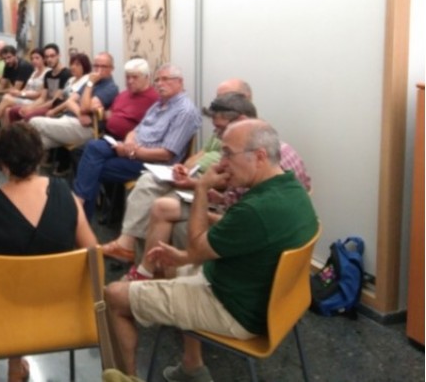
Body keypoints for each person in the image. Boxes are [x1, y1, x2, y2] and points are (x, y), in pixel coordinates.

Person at [104, 119, 318, 380]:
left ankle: (129, 377)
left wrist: (203, 187)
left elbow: (198, 244)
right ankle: (192, 366)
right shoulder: (292, 188)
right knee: (175, 267)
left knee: (114, 295)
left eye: (228, 153)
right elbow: (225, 238)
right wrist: (184, 256)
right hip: (276, 304)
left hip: (234, 310)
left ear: (260, 156)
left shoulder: (253, 209)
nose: (222, 163)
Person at [0, 123, 97, 382]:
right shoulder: (65, 194)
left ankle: (14, 364)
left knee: (0, 291)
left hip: (5, 321)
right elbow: (92, 252)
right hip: (64, 315)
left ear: (1, 162)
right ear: (40, 155)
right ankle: (16, 364)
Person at [73, 63, 201, 220]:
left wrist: (131, 152)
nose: (160, 84)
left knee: (92, 167)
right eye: (158, 80)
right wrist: (128, 141)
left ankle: (80, 213)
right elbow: (136, 130)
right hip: (132, 150)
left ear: (180, 82)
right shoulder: (159, 104)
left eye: (165, 79)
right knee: (93, 147)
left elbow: (166, 155)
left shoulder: (184, 111)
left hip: (152, 164)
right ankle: (81, 211)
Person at [29, 52, 120, 149]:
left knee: (34, 121)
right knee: (36, 144)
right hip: (69, 120)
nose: (99, 70)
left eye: (103, 66)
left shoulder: (110, 87)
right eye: (96, 66)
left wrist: (90, 83)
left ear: (111, 69)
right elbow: (69, 101)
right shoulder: (93, 82)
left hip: (86, 128)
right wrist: (80, 114)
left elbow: (85, 108)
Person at [0, 47, 46, 139]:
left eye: (37, 58)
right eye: (32, 58)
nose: (7, 60)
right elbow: (4, 85)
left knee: (6, 98)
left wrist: (20, 93)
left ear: (15, 56)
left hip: (31, 99)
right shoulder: (34, 72)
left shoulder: (26, 67)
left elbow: (36, 93)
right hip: (21, 95)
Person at [11, 43, 73, 122]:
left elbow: (54, 101)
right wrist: (30, 107)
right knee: (13, 111)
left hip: (56, 107)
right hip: (45, 103)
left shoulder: (65, 74)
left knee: (28, 116)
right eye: (47, 57)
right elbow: (42, 98)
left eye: (52, 56)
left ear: (58, 56)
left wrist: (31, 109)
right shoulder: (48, 74)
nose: (49, 59)